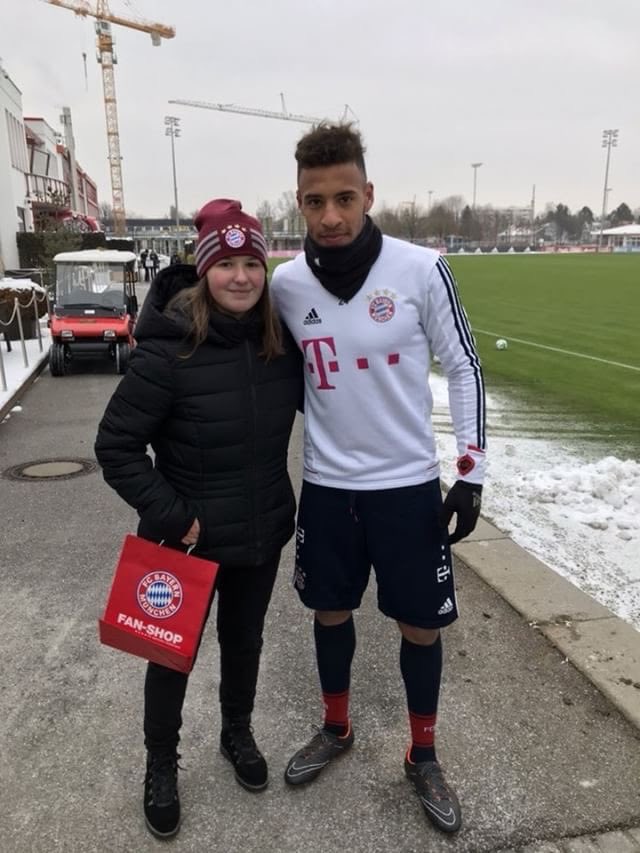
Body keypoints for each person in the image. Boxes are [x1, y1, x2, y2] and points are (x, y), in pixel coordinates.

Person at [270, 123, 486, 836]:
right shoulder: (285, 284)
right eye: (314, 201)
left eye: (344, 198)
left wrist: (471, 472)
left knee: (419, 625)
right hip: (329, 488)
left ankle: (423, 753)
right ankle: (336, 728)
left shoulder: (421, 269)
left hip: (406, 487)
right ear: (299, 203)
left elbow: (464, 367)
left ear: (368, 193)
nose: (330, 216)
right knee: (329, 612)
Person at [95, 199, 301, 839]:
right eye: (226, 264)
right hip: (186, 539)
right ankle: (161, 762)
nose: (241, 276)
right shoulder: (168, 350)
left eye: (252, 264)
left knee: (244, 642)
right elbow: (115, 445)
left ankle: (236, 732)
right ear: (204, 270)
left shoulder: (279, 343)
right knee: (170, 654)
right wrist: (175, 517)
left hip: (261, 531)